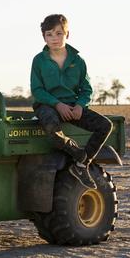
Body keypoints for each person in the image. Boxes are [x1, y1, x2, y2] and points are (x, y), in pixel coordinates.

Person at [30, 14, 113, 189]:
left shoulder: (78, 61)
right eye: (49, 34)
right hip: (47, 105)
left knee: (105, 125)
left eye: (59, 33)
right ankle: (79, 155)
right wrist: (57, 104)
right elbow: (37, 90)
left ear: (67, 34)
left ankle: (82, 165)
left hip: (73, 106)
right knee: (52, 128)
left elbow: (86, 87)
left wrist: (80, 106)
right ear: (44, 37)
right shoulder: (39, 60)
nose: (54, 38)